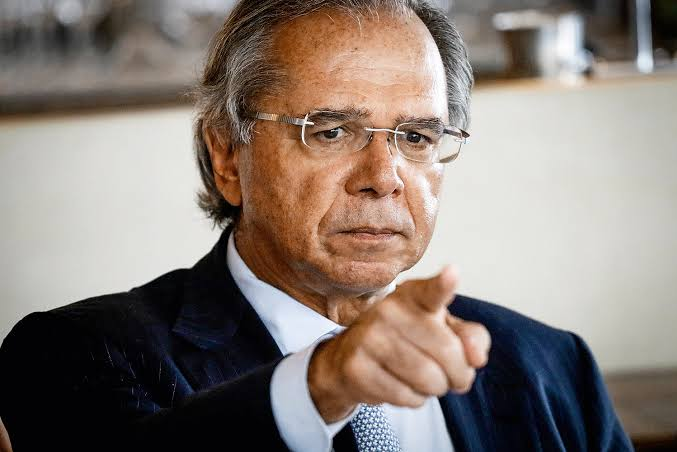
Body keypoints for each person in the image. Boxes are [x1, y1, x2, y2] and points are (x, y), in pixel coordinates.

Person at [0, 1, 632, 451]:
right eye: (330, 131)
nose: (383, 177)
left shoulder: (550, 364)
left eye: (416, 137)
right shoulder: (75, 352)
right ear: (227, 156)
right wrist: (323, 382)